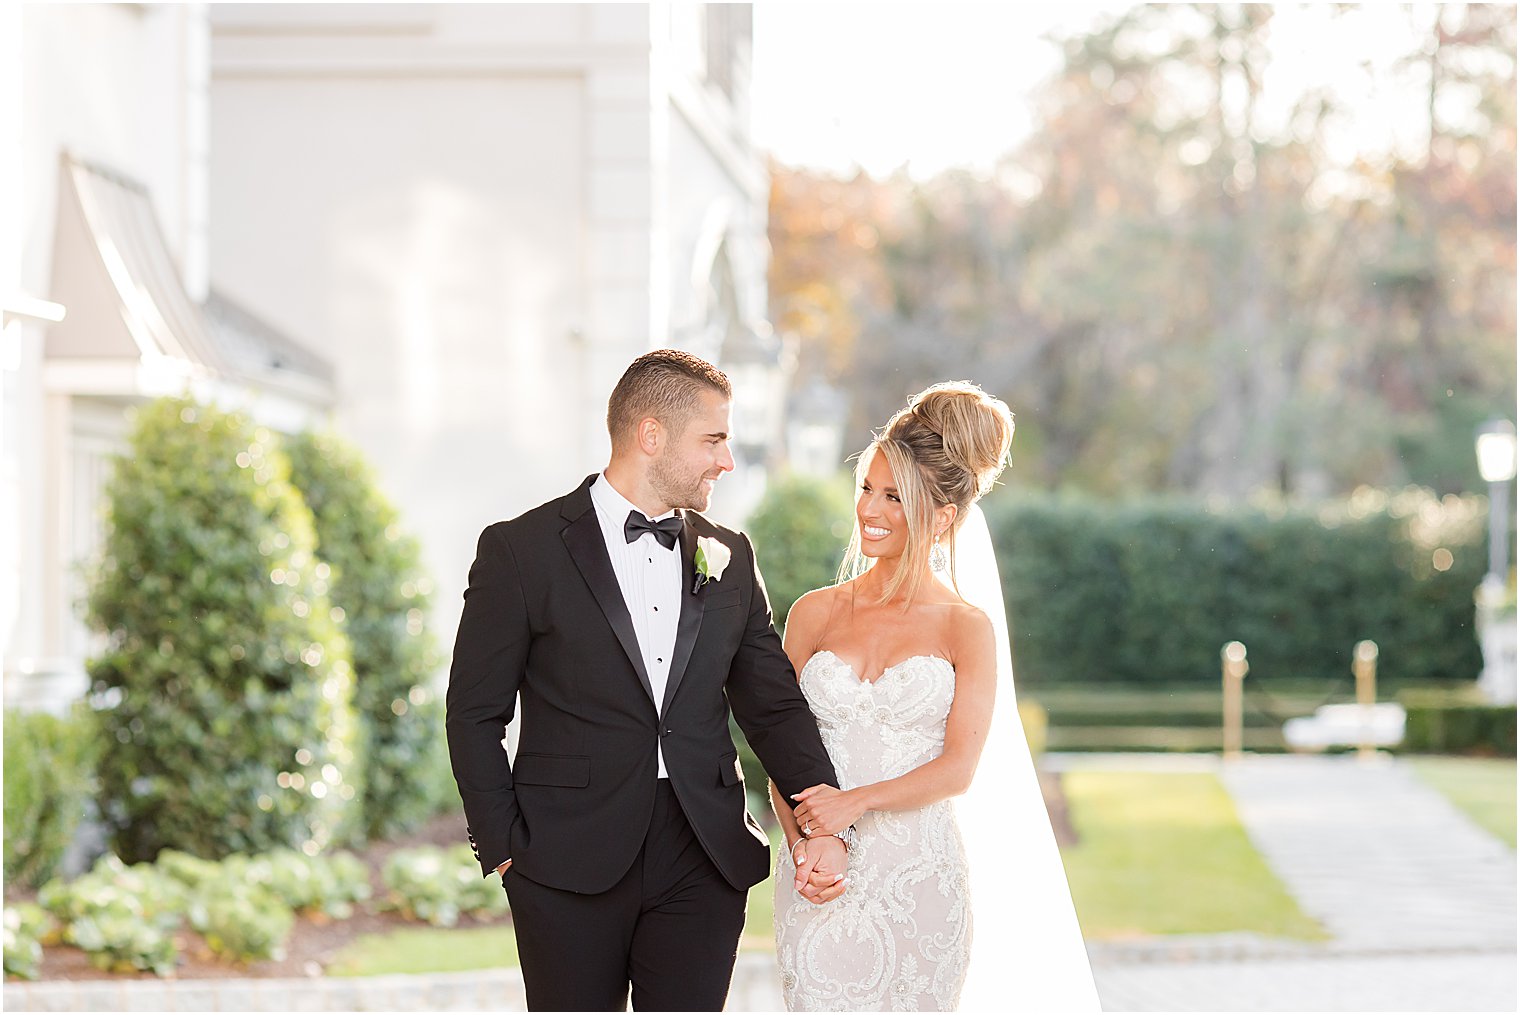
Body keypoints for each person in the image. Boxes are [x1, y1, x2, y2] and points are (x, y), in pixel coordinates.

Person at [446, 349, 848, 1012]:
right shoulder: (520, 551)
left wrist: (825, 820)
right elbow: (473, 714)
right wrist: (506, 848)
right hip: (563, 860)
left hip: (702, 853)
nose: (727, 459)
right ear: (651, 435)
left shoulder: (730, 555)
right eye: (714, 439)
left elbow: (772, 708)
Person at [771, 381, 1100, 1012]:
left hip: (918, 876)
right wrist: (805, 844)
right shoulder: (812, 615)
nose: (870, 507)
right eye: (867, 487)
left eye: (894, 497)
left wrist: (852, 807)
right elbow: (778, 740)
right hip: (816, 875)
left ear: (942, 517)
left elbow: (958, 768)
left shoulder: (965, 628)